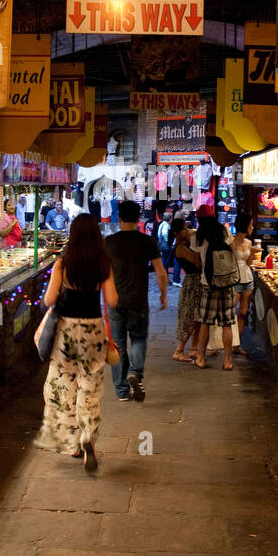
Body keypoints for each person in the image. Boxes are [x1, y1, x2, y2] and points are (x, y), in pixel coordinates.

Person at [34, 214, 118, 472]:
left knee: (62, 387)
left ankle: (71, 441)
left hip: (67, 332)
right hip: (93, 331)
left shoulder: (64, 262)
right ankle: (87, 437)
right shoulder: (103, 263)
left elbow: (49, 300)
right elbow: (112, 300)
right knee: (89, 387)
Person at [104, 200, 168, 402]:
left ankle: (122, 391)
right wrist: (163, 294)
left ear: (119, 217)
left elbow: (103, 272)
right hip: (138, 301)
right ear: (139, 218)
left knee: (118, 344)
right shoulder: (147, 241)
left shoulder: (109, 242)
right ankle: (135, 373)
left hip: (115, 300)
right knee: (138, 339)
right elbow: (161, 273)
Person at [192, 212, 239, 370]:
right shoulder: (225, 232)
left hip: (209, 284)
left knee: (205, 322)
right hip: (227, 284)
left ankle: (201, 358)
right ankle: (227, 360)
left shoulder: (200, 236)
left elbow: (197, 261)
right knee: (227, 323)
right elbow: (233, 253)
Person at [169, 219, 203, 362]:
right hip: (192, 283)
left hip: (196, 282)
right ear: (177, 233)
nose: (187, 231)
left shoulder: (185, 245)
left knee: (198, 318)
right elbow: (197, 262)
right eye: (184, 229)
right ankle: (179, 350)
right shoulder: (180, 248)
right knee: (193, 318)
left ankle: (193, 348)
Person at [230, 213, 256, 355]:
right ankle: (227, 342)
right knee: (230, 312)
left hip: (247, 279)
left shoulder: (249, 243)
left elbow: (248, 263)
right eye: (251, 224)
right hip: (234, 280)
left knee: (243, 313)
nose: (252, 227)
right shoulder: (231, 243)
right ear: (244, 225)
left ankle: (237, 344)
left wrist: (252, 254)